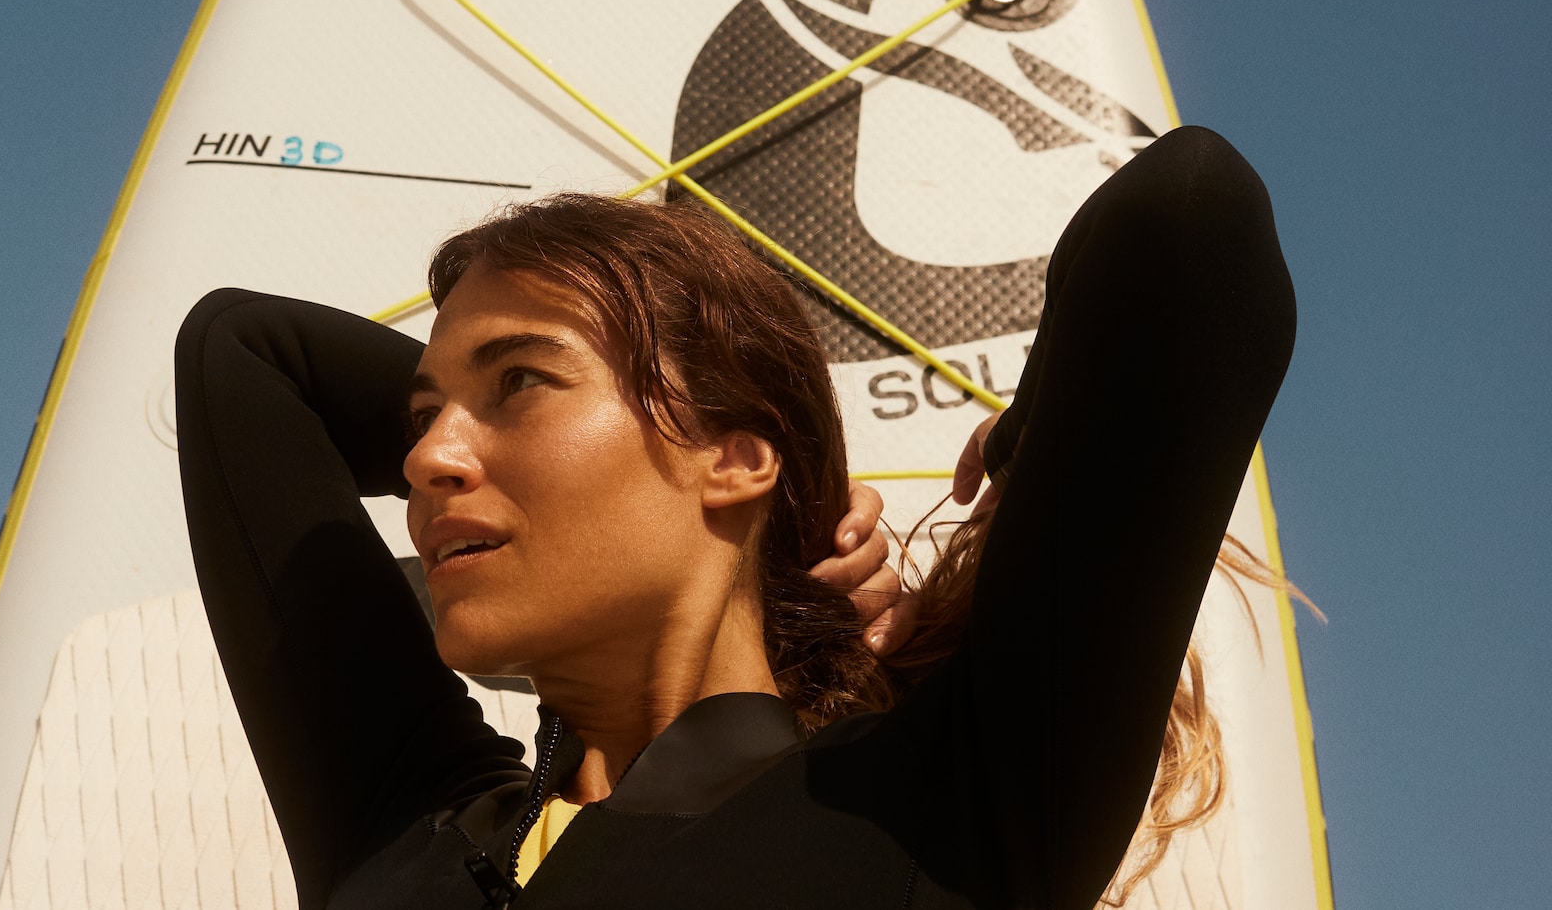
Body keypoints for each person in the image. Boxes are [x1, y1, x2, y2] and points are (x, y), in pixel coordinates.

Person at [175, 125, 1295, 909]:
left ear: (732, 456)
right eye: (421, 416)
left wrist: (1006, 443)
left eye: (518, 381)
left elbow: (1190, 217)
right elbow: (238, 353)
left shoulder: (934, 807)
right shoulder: (405, 814)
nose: (425, 456)